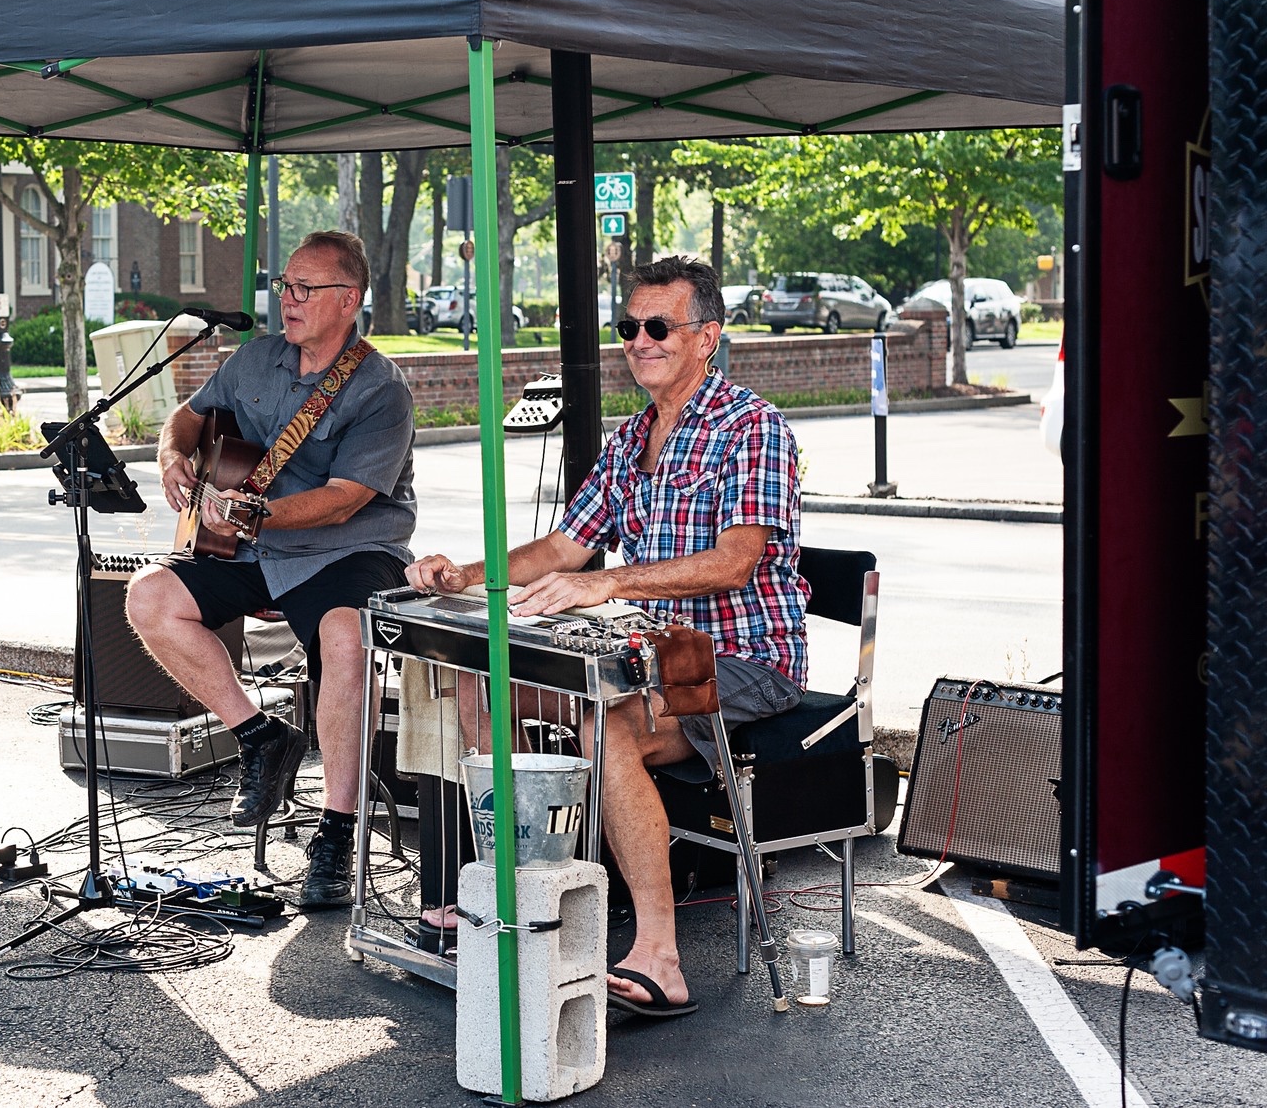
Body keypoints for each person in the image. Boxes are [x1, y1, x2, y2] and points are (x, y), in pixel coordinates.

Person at [407, 254, 808, 1016]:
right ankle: (514, 894)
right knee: (482, 677)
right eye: (630, 326)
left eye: (659, 326)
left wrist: (612, 580)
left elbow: (735, 561)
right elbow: (562, 546)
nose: (640, 339)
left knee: (606, 723)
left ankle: (661, 953)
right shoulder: (632, 439)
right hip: (651, 657)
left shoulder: (753, 426)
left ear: (707, 337)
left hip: (746, 657)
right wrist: (463, 572)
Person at [126, 231, 416, 909]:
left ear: (349, 299)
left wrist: (256, 517)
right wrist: (173, 458)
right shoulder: (255, 359)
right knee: (149, 598)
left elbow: (347, 499)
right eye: (284, 285)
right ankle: (261, 735)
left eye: (304, 289)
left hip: (348, 549)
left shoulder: (380, 389)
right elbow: (185, 419)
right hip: (255, 547)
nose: (287, 299)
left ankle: (338, 831)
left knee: (345, 638)